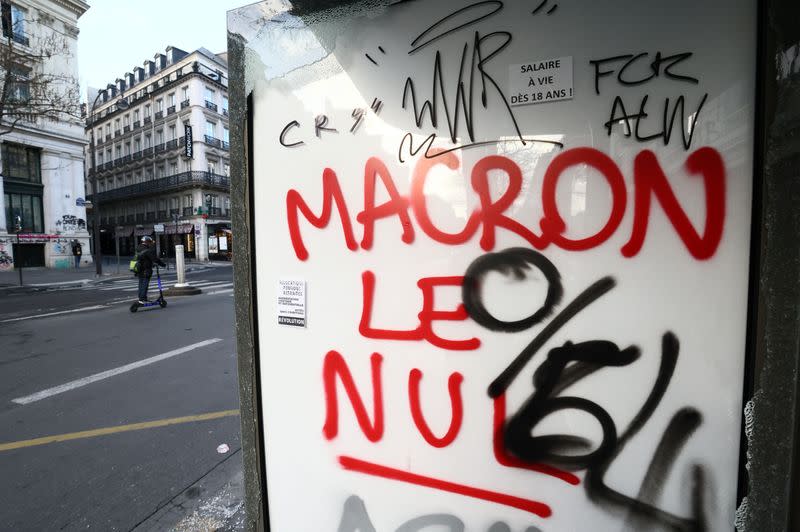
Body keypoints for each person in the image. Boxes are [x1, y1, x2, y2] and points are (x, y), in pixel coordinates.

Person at [135, 236, 165, 304]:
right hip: (146, 269)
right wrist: (163, 264)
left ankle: (141, 298)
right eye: (150, 242)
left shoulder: (138, 248)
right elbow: (155, 259)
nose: (151, 244)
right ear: (147, 242)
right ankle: (143, 299)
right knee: (145, 284)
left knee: (141, 284)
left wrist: (152, 263)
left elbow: (143, 258)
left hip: (139, 269)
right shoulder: (148, 250)